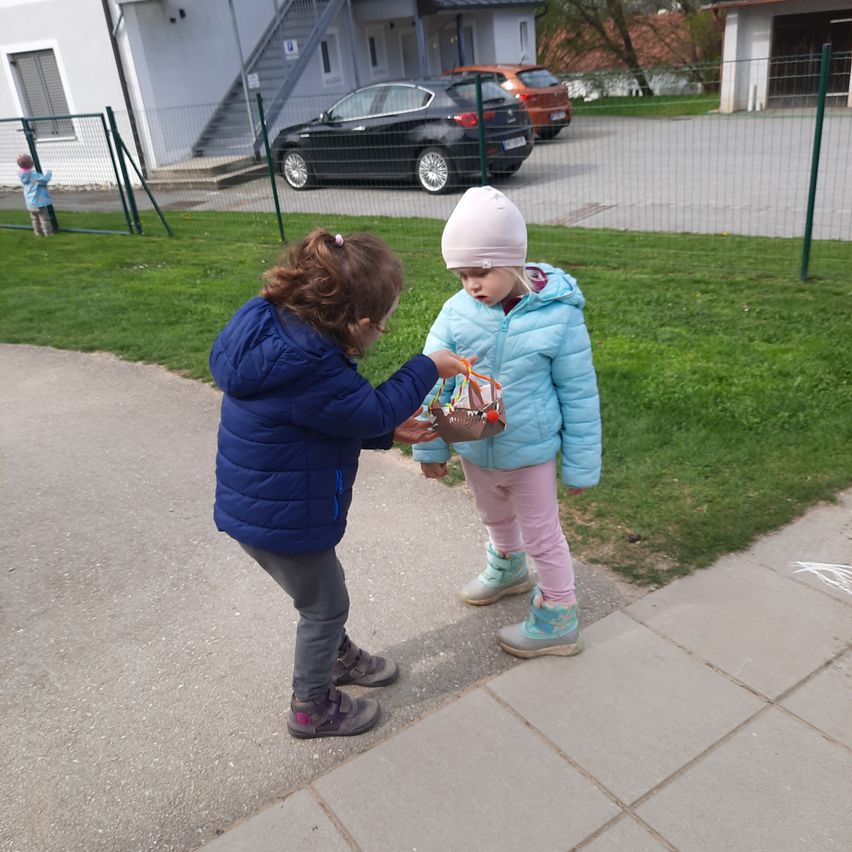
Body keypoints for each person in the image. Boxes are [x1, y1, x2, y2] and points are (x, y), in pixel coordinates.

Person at [209, 228, 467, 739]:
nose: (383, 334)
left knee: (320, 598)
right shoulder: (313, 368)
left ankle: (335, 656)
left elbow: (325, 418)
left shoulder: (272, 324)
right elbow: (369, 407)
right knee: (325, 606)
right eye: (385, 326)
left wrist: (385, 434)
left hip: (260, 510)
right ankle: (311, 706)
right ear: (360, 323)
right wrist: (426, 367)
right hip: (284, 519)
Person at [413, 186, 602, 658]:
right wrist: (430, 447)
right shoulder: (456, 312)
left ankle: (559, 616)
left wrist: (580, 466)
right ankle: (508, 569)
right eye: (461, 275)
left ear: (513, 260)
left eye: (480, 272)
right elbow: (430, 379)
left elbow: (580, 395)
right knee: (492, 514)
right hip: (475, 445)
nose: (471, 285)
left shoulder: (558, 317)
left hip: (530, 454)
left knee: (543, 534)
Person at [17, 154, 53, 236]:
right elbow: (44, 180)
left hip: (30, 202)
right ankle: (48, 233)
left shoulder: (21, 174)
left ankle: (37, 232)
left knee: (34, 219)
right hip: (38, 201)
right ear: (31, 164)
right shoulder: (33, 174)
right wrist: (49, 173)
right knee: (44, 218)